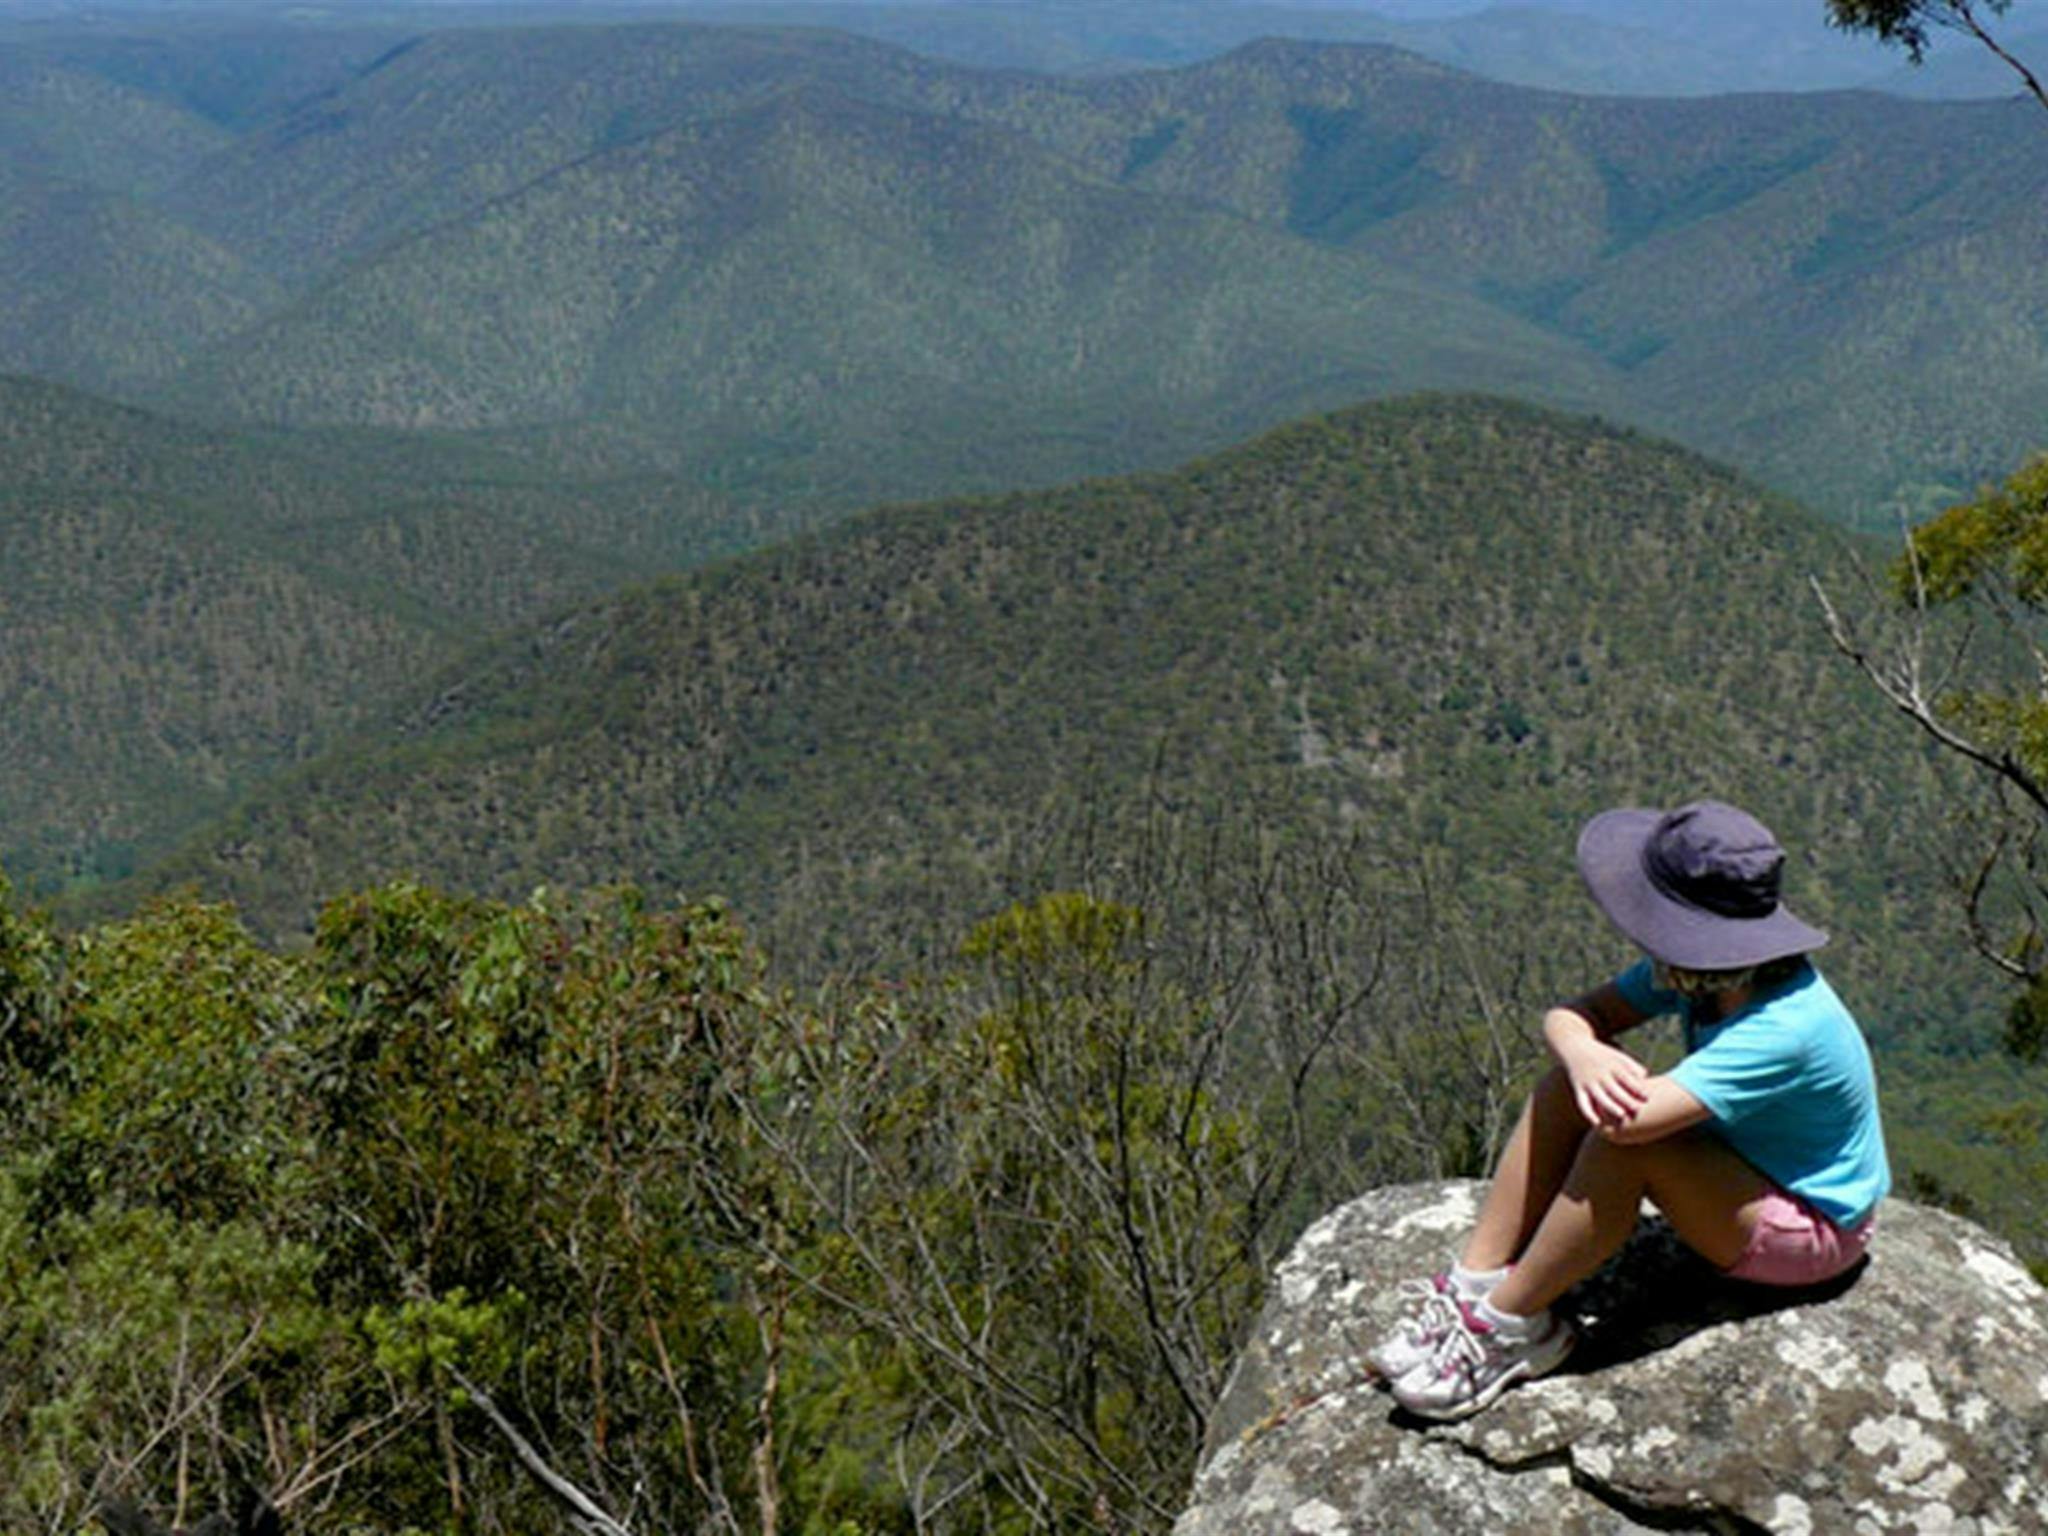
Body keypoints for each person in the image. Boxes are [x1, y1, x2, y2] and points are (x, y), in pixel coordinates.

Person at [1370, 799, 1890, 1421]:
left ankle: (1510, 1325)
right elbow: (1570, 1016)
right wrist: (1583, 1054)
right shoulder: (1710, 974)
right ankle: (1472, 1284)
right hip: (1747, 1173)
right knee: (1573, 1084)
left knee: (1628, 1150)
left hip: (1814, 1232)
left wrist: (1591, 1058)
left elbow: (1630, 1126)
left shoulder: (1787, 1026)